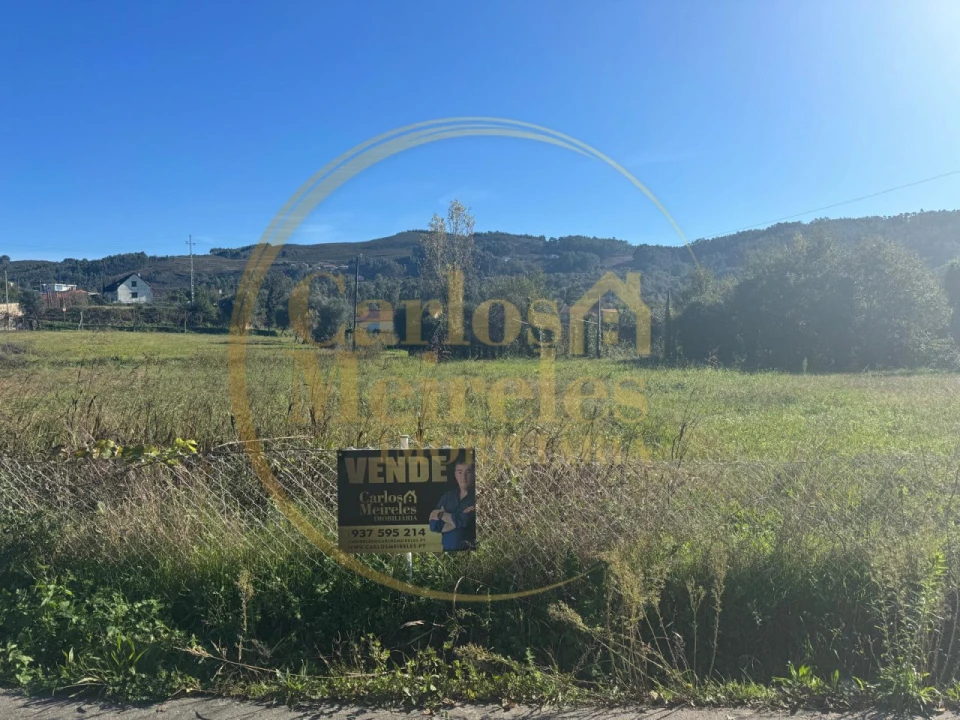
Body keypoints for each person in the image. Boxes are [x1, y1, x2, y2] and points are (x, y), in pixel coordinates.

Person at [429, 460, 476, 551]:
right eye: (460, 472)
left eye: (468, 472)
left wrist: (441, 515)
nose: (464, 476)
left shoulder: (476, 497)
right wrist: (459, 519)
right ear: (455, 474)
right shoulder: (447, 497)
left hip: (470, 551)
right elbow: (434, 526)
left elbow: (466, 521)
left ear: (473, 474)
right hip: (447, 552)